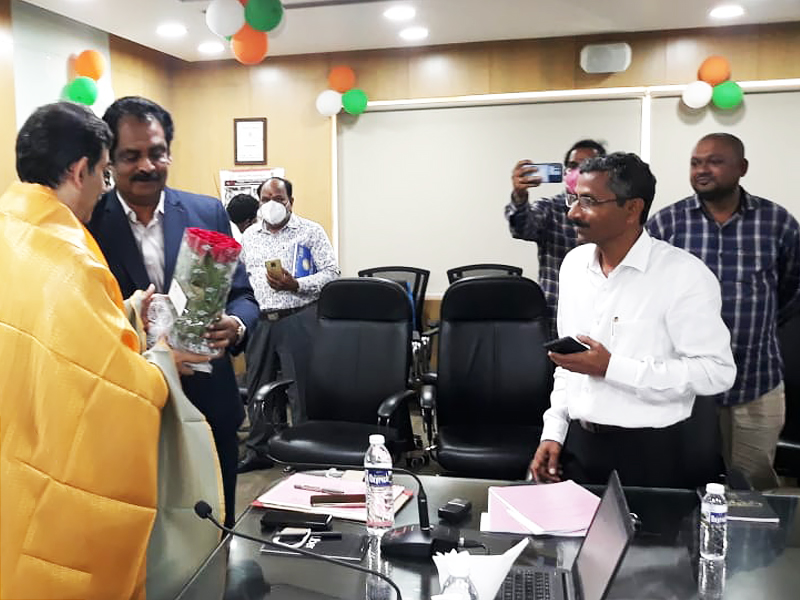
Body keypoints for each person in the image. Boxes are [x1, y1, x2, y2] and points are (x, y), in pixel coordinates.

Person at [0, 102, 207, 599]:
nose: (104, 186)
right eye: (104, 172)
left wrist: (127, 311)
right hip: (51, 464)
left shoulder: (12, 229)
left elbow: (49, 333)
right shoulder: (70, 260)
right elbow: (111, 387)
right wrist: (165, 360)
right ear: (80, 171)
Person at [87, 96, 259, 528]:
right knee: (144, 529)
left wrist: (235, 324)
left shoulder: (206, 211)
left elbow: (243, 295)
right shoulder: (88, 223)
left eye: (157, 152)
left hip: (208, 400)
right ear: (110, 160)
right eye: (132, 156)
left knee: (215, 522)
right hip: (131, 405)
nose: (147, 165)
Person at [529, 152, 736, 488]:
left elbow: (716, 373)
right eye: (573, 198)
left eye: (588, 201)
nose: (573, 213)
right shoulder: (573, 266)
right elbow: (569, 366)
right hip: (580, 447)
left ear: (632, 209)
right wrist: (554, 431)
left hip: (652, 452)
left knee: (652, 525)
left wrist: (612, 367)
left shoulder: (683, 275)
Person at [648, 133, 800, 490]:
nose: (702, 170)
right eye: (695, 162)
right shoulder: (667, 224)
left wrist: (759, 321)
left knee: (753, 486)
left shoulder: (776, 222)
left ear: (742, 167)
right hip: (687, 385)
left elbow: (791, 289)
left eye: (714, 161)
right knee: (682, 482)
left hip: (755, 381)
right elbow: (649, 295)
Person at [237, 176, 340, 473]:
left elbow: (332, 273)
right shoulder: (249, 236)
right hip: (260, 321)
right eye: (265, 199)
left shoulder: (310, 231)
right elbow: (240, 277)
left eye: (279, 199)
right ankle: (260, 449)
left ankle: (304, 450)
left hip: (298, 317)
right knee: (259, 387)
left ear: (291, 202)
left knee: (301, 389)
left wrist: (297, 284)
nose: (272, 205)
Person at [506, 140, 606, 336]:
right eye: (573, 166)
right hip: (555, 321)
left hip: (599, 318)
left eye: (587, 166)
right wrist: (519, 196)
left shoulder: (611, 212)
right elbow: (522, 228)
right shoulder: (551, 209)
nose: (578, 172)